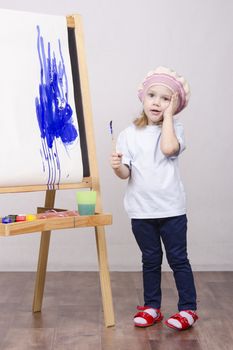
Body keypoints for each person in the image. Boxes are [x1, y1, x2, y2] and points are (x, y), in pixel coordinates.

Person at [110, 66, 198, 331]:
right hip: (141, 211)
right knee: (150, 259)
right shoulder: (128, 134)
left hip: (171, 210)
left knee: (178, 259)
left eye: (165, 98)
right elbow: (126, 174)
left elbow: (169, 148)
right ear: (143, 98)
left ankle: (188, 309)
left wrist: (169, 117)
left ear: (175, 105)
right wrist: (117, 166)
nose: (157, 102)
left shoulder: (175, 130)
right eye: (152, 95)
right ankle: (151, 307)